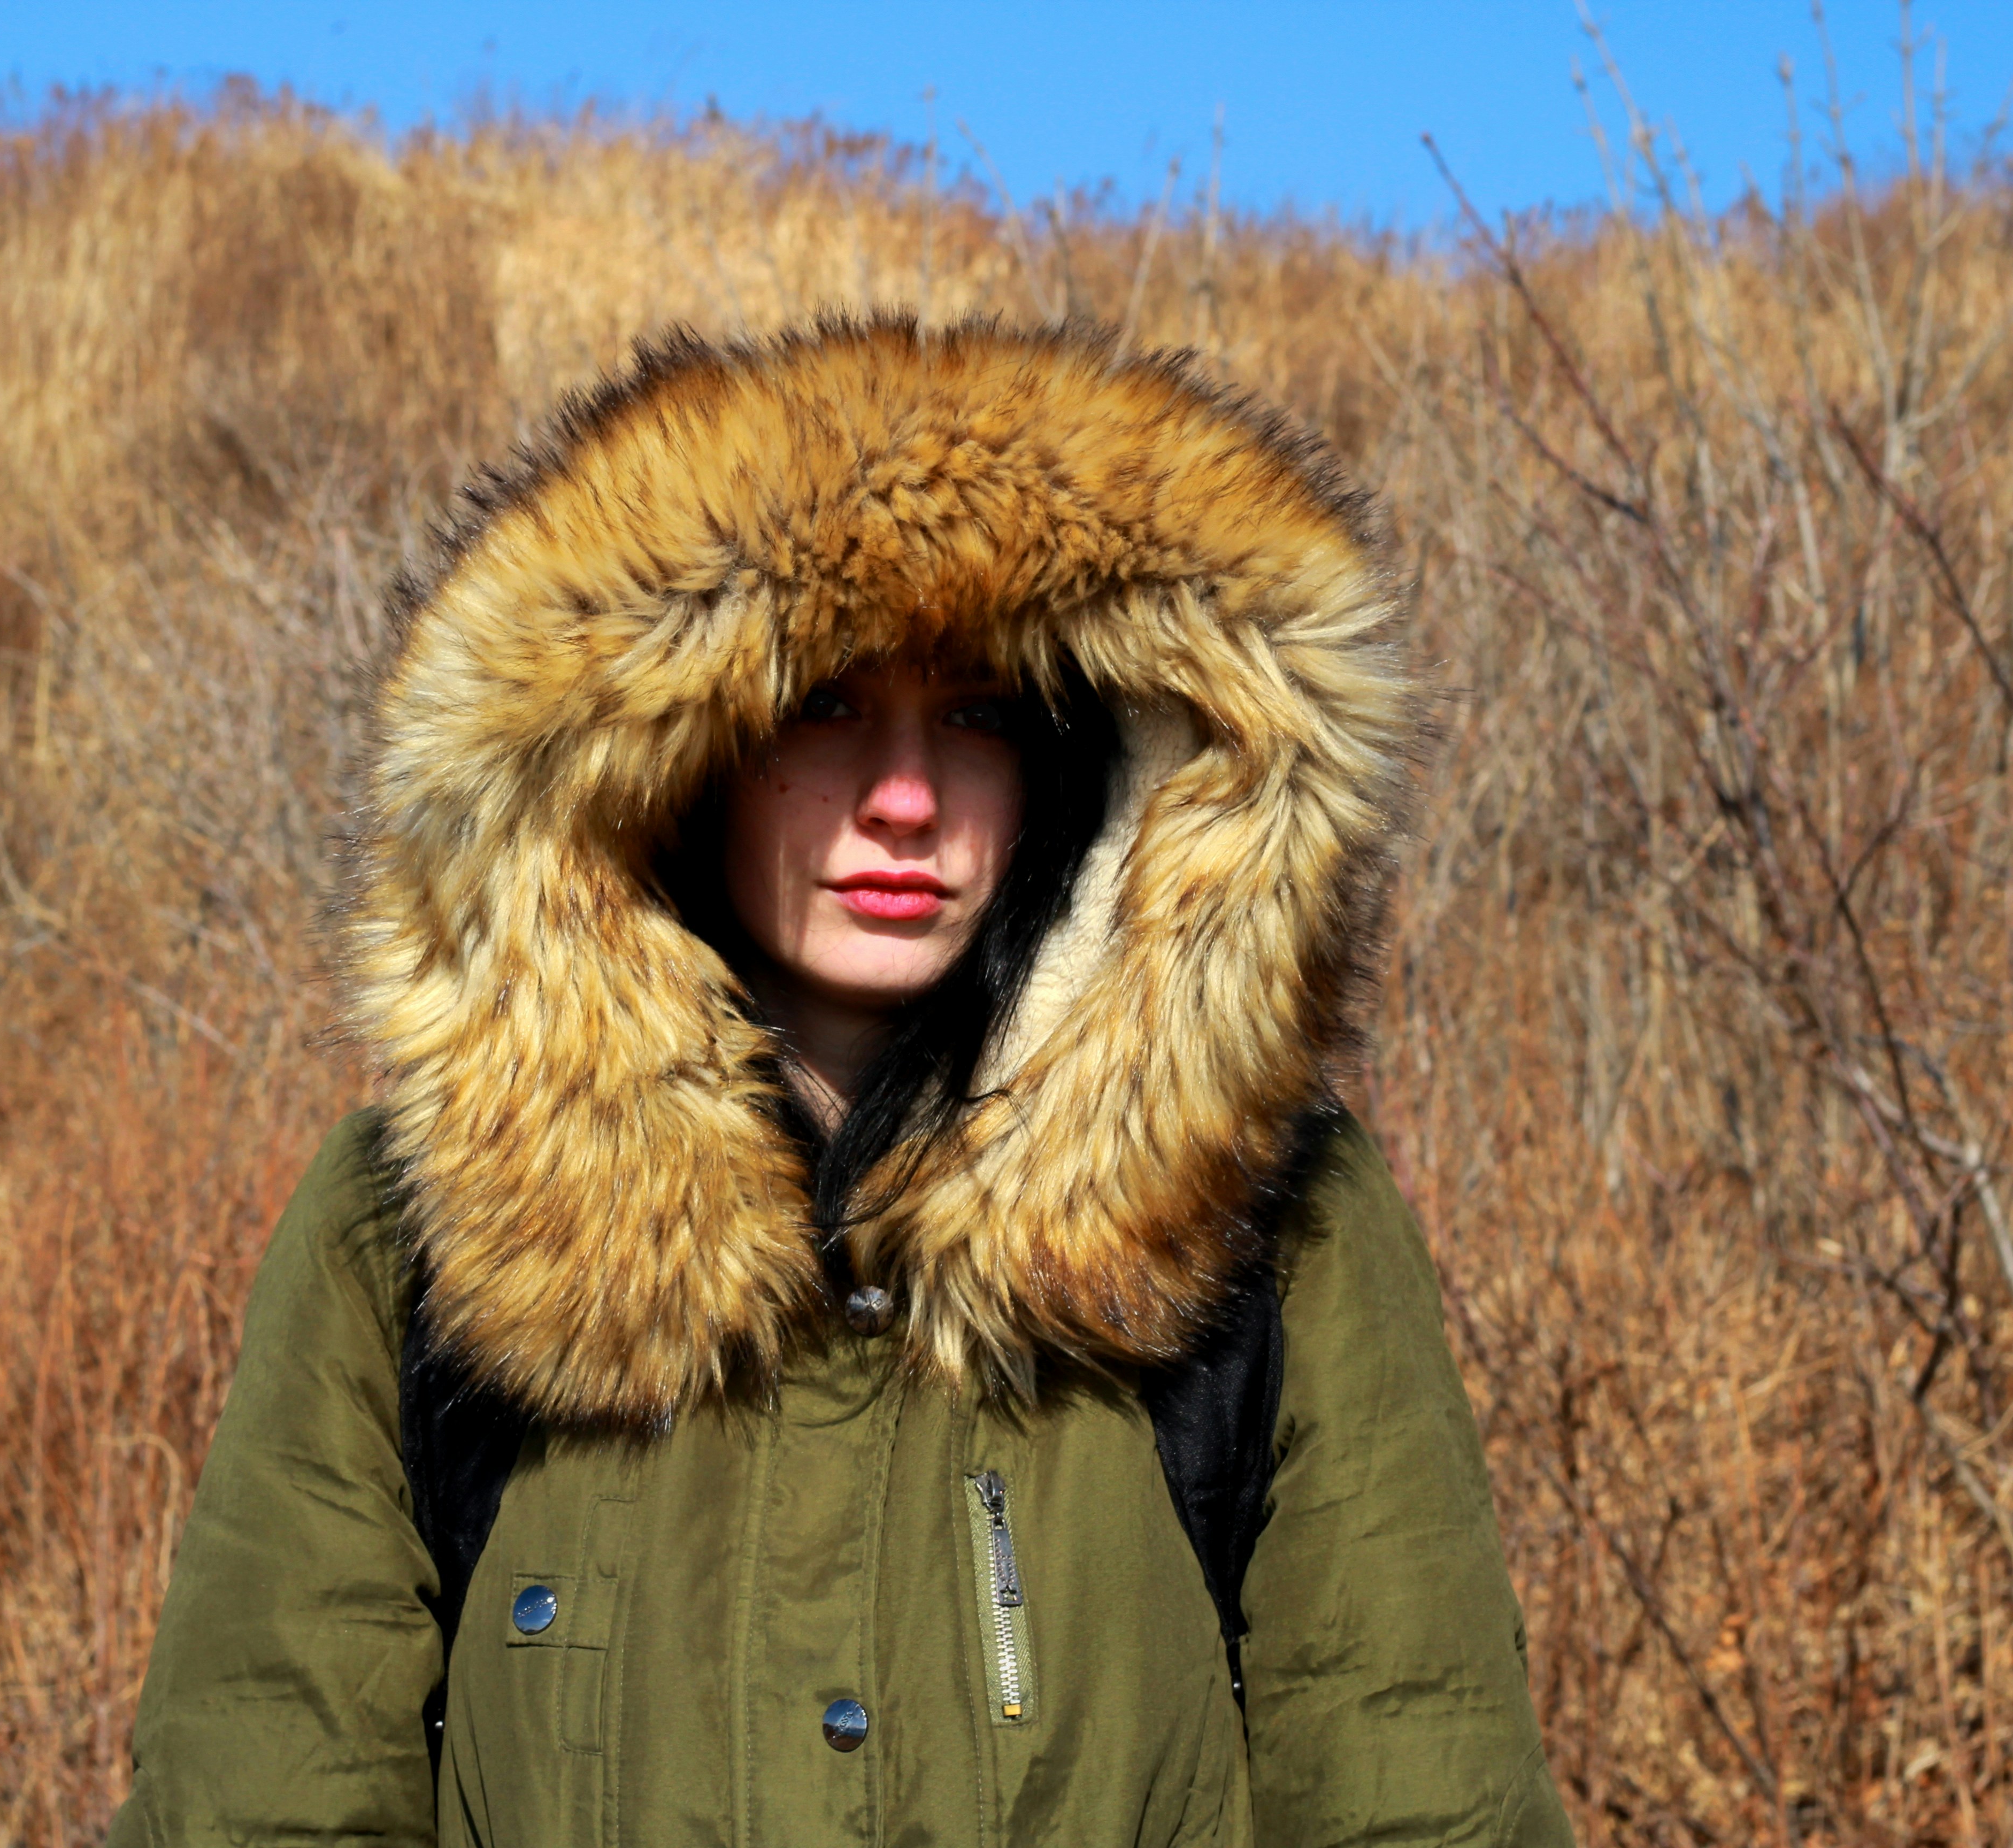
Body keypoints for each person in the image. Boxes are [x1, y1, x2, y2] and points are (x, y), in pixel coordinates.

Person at [106, 318, 1571, 1846]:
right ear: (677, 756)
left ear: (1074, 763)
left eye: (978, 716)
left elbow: (1421, 1791)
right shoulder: (418, 1230)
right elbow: (262, 1797)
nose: (906, 799)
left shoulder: (1272, 1225)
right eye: (826, 707)